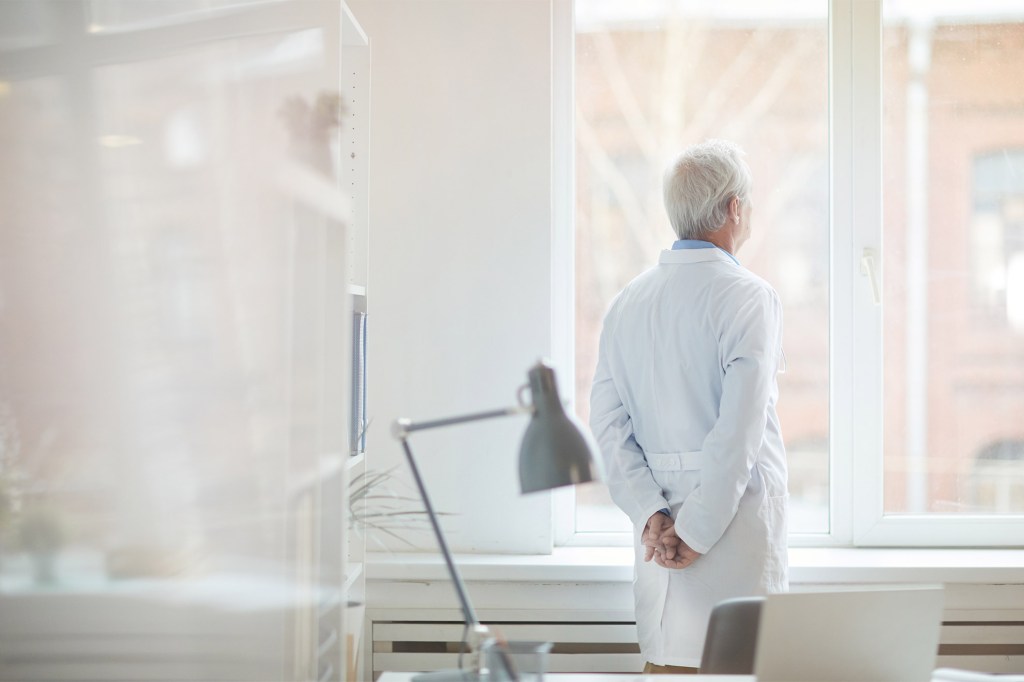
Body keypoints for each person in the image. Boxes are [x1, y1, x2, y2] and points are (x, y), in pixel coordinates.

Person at [589, 139, 788, 674]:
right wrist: (694, 535)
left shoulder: (627, 302)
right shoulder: (749, 296)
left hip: (658, 550)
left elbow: (607, 427)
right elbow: (737, 434)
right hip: (728, 542)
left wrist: (651, 514)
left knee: (667, 670)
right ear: (733, 209)